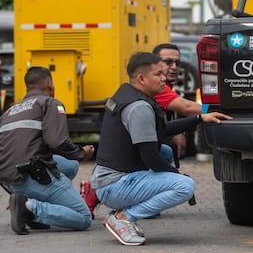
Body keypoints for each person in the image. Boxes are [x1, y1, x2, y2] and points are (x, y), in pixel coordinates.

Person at [90, 52, 231, 246]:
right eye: (158, 74)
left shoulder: (127, 94)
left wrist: (200, 118)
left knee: (165, 151)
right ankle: (123, 217)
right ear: (142, 78)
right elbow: (150, 158)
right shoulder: (139, 107)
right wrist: (178, 175)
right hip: (113, 186)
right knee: (184, 186)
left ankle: (122, 211)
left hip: (107, 178)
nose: (164, 78)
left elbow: (161, 130)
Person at [0, 66, 95, 235]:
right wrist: (82, 153)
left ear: (28, 87)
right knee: (83, 217)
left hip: (6, 178)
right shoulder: (50, 103)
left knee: (71, 165)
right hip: (30, 175)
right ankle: (30, 208)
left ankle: (35, 204)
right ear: (50, 84)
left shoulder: (9, 111)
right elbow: (58, 142)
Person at [152, 43, 202, 156]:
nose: (174, 67)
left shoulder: (167, 85)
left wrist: (178, 132)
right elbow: (188, 108)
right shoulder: (157, 86)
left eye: (177, 63)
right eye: (168, 62)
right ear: (154, 64)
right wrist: (214, 109)